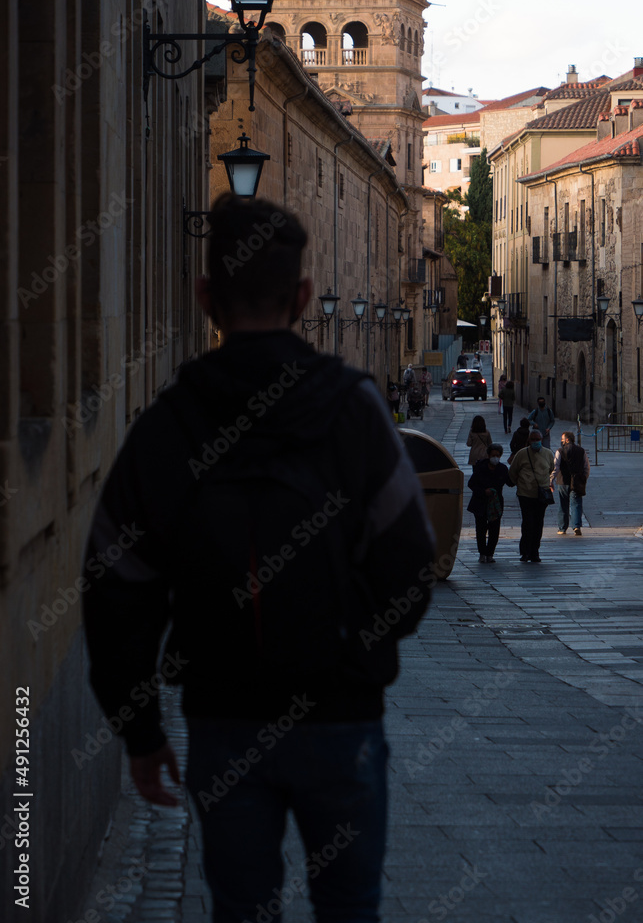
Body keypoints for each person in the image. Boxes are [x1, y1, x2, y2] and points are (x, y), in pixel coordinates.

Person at [81, 193, 435, 923]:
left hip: (223, 718)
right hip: (341, 718)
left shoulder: (166, 424)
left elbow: (116, 588)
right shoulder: (353, 409)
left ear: (205, 295)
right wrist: (352, 651)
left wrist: (140, 731)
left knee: (240, 910)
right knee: (349, 908)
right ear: (304, 297)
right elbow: (409, 558)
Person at [509, 429, 555, 563]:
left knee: (538, 523)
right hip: (525, 494)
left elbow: (550, 469)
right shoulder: (522, 454)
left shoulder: (547, 453)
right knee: (528, 523)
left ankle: (535, 551)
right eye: (533, 440)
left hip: (542, 496)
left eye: (538, 440)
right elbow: (513, 471)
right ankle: (525, 551)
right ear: (529, 441)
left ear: (541, 440)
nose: (536, 442)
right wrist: (519, 483)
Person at [467, 443, 511, 563]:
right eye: (493, 455)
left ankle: (490, 553)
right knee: (480, 530)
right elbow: (471, 484)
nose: (495, 457)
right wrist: (483, 491)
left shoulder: (502, 469)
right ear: (488, 455)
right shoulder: (480, 467)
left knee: (494, 530)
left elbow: (510, 482)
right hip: (480, 502)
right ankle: (482, 553)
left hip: (495, 504)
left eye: (498, 455)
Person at [551, 431, 590, 535]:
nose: (561, 441)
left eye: (562, 439)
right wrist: (584, 478)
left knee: (563, 504)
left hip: (563, 481)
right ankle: (576, 526)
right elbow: (586, 466)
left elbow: (556, 467)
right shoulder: (581, 451)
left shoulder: (560, 451)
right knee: (576, 503)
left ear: (567, 439)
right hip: (577, 481)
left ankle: (562, 528)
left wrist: (551, 480)